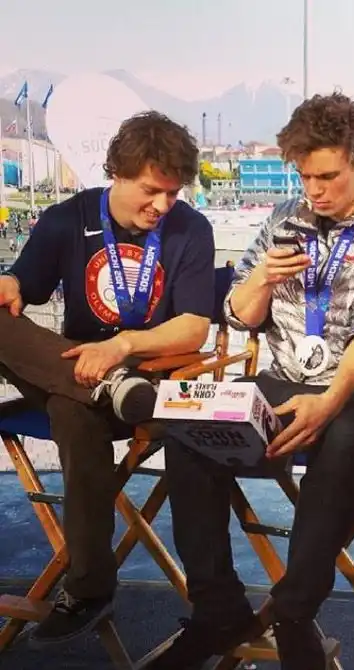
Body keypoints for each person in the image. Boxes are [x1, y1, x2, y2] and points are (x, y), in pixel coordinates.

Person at [148, 92, 354, 669]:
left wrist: (328, 401)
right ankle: (217, 610)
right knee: (186, 430)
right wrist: (262, 280)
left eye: (327, 176)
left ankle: (294, 613)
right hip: (281, 376)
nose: (314, 191)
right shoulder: (285, 218)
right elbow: (239, 317)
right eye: (304, 177)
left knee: (344, 435)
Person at [0, 111, 215, 647]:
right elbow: (22, 288)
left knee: (71, 410)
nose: (162, 205)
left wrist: (123, 347)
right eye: (151, 190)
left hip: (150, 385)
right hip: (78, 372)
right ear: (116, 173)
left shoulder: (191, 229)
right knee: (57, 385)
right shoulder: (65, 219)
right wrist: (10, 283)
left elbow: (194, 327)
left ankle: (89, 589)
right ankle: (102, 387)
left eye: (172, 193)